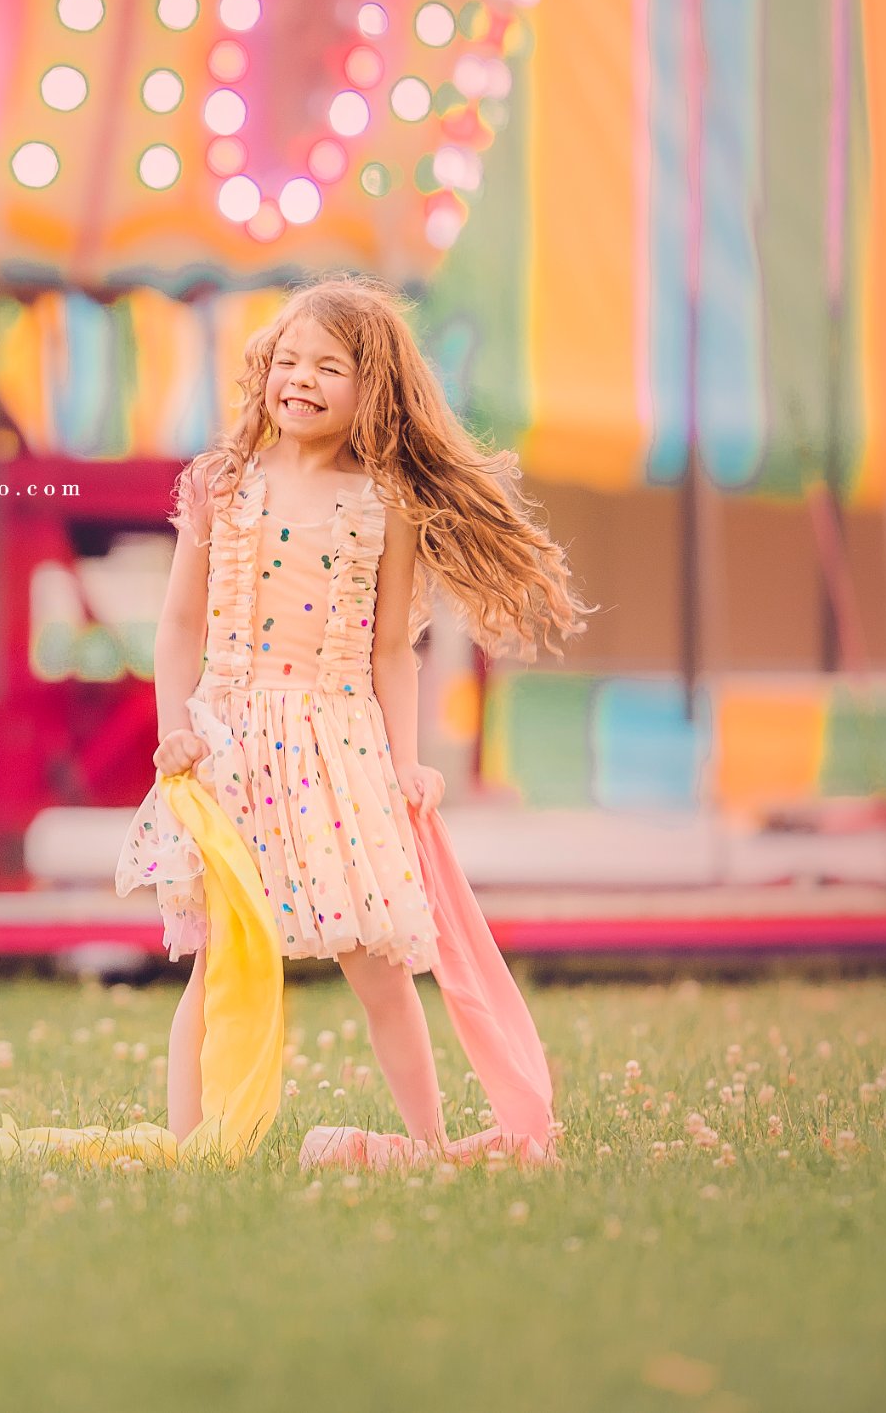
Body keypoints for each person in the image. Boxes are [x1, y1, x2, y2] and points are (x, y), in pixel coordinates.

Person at [116, 274, 587, 1168]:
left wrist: (404, 764)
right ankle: (191, 1150)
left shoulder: (385, 506)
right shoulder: (222, 487)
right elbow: (178, 626)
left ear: (373, 390)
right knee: (217, 961)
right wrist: (172, 731)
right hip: (230, 748)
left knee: (376, 961)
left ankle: (427, 1144)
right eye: (287, 360)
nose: (300, 378)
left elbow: (387, 656)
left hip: (338, 747)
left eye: (327, 366)